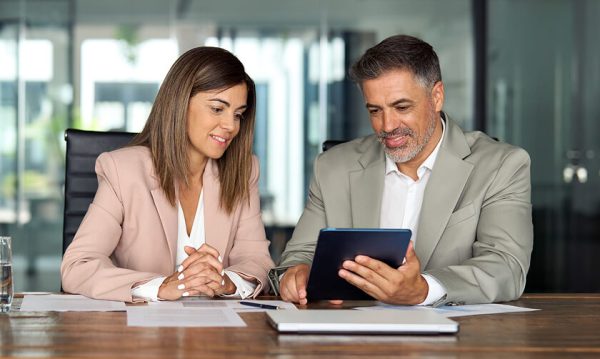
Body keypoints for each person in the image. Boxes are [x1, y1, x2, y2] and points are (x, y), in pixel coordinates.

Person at [271, 35, 533, 306]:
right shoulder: (333, 167)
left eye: (401, 107)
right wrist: (296, 274)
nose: (387, 125)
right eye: (375, 110)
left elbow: (506, 267)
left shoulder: (502, 165)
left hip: (454, 340)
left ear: (437, 96)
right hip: (353, 335)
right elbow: (298, 256)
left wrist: (422, 289)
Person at [61, 47, 274, 302]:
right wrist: (161, 287)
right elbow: (78, 266)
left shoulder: (243, 170)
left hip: (216, 333)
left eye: (238, 114)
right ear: (180, 103)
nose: (231, 126)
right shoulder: (123, 170)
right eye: (218, 109)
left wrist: (227, 283)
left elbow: (258, 262)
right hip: (139, 334)